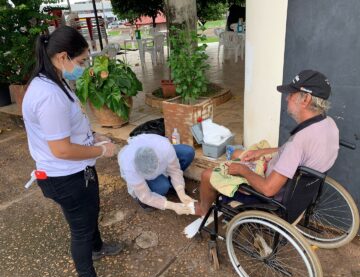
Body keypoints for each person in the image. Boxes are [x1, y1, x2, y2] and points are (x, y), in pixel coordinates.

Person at [22, 26, 122, 277]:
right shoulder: (48, 95)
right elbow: (62, 150)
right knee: (80, 227)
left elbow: (69, 127)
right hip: (64, 176)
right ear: (63, 56)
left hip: (77, 172)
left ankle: (97, 247)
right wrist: (100, 152)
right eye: (80, 62)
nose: (83, 67)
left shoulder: (54, 80)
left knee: (90, 212)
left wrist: (94, 136)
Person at [195, 70, 339, 216]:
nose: (287, 98)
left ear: (306, 99)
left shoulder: (298, 142)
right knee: (239, 154)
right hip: (294, 187)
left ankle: (203, 209)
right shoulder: (328, 123)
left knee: (207, 175)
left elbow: (268, 189)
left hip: (270, 198)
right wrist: (261, 152)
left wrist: (242, 170)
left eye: (291, 94)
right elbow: (296, 152)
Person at [118, 133, 196, 214]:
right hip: (139, 171)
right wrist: (172, 205)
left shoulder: (165, 148)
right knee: (162, 186)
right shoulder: (129, 166)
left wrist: (180, 191)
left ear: (159, 160)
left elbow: (174, 170)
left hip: (159, 152)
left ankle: (173, 184)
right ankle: (148, 197)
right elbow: (145, 196)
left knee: (187, 152)